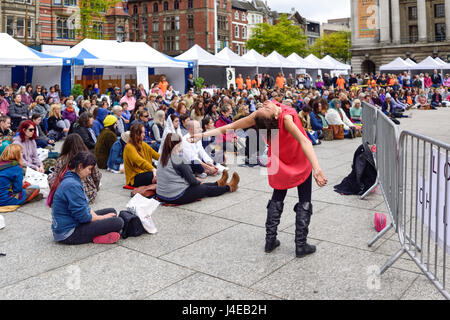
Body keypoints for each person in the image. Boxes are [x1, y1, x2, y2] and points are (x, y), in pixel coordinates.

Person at [196, 99, 327, 257]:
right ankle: (300, 245)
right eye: (265, 107)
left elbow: (230, 127)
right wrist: (317, 168)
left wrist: (202, 134)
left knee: (277, 196)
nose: (264, 103)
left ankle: (270, 241)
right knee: (304, 199)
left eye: (264, 106)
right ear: (273, 117)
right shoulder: (284, 118)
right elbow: (304, 140)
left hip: (279, 160)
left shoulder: (259, 116)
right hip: (298, 157)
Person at [49, 151, 123, 245]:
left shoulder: (72, 178)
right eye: (89, 169)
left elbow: (84, 207)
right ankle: (96, 237)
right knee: (118, 222)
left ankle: (99, 235)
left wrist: (101, 218)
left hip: (71, 224)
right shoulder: (72, 184)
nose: (90, 172)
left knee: (111, 211)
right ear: (80, 166)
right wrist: (102, 218)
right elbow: (83, 217)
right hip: (69, 234)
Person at [156, 133, 239, 205]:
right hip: (175, 196)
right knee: (204, 188)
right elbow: (192, 181)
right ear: (177, 145)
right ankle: (229, 187)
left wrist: (196, 181)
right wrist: (198, 181)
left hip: (162, 195)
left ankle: (218, 183)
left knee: (201, 186)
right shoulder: (179, 159)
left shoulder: (162, 157)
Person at [123, 123, 160, 188]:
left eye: (144, 132)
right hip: (134, 178)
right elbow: (139, 161)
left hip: (145, 172)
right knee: (157, 175)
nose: (144, 134)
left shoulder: (143, 144)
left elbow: (156, 155)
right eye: (142, 132)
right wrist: (153, 169)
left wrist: (169, 158)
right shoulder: (129, 147)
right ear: (136, 134)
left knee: (163, 173)